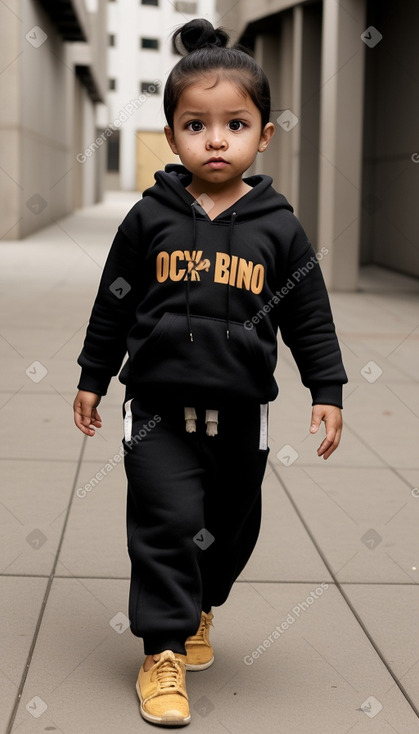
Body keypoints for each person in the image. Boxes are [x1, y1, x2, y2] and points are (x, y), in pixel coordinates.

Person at [73, 17, 347, 728]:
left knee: (227, 531)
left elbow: (308, 316)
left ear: (263, 135)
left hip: (239, 414)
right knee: (165, 524)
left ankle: (199, 604)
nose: (215, 139)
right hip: (158, 410)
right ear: (171, 136)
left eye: (235, 123)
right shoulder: (148, 219)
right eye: (196, 124)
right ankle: (161, 651)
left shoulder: (278, 228)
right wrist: (94, 374)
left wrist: (327, 390)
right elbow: (114, 301)